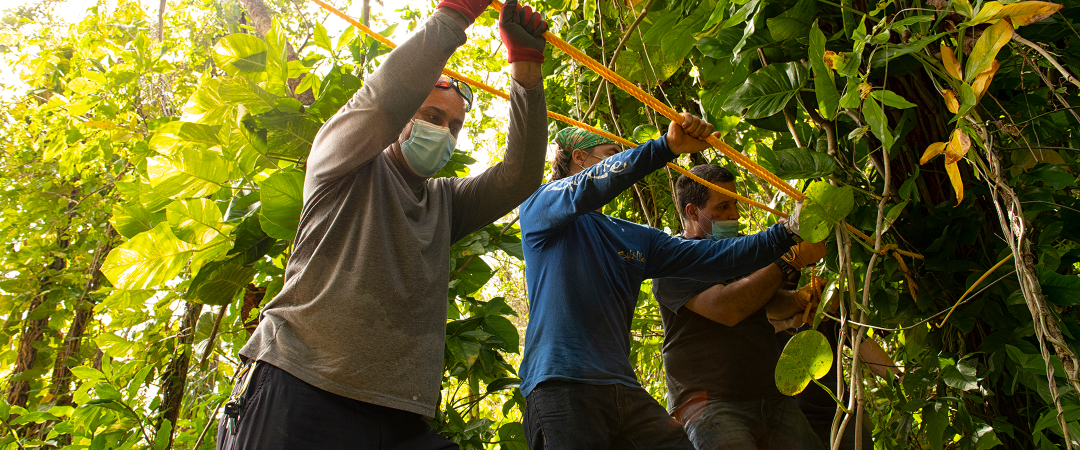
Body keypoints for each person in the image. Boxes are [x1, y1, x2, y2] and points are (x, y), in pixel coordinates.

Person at [216, 0, 550, 448]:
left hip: (397, 417)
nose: (444, 132)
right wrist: (456, 14)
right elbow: (379, 103)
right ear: (404, 117)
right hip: (298, 386)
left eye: (454, 126)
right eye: (432, 116)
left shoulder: (444, 201)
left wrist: (526, 71)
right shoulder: (345, 160)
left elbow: (519, 177)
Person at [517, 121, 810, 449]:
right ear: (581, 158)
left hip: (622, 388)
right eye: (613, 155)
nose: (622, 162)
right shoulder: (540, 205)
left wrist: (787, 233)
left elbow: (717, 256)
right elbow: (590, 186)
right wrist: (665, 147)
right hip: (561, 384)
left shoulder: (634, 236)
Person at [650, 163, 827, 450]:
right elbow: (728, 309)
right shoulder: (673, 261)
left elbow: (765, 306)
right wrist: (789, 261)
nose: (734, 214)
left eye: (735, 204)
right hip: (710, 406)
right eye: (722, 207)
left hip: (773, 398)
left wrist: (797, 300)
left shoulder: (743, 248)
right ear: (692, 211)